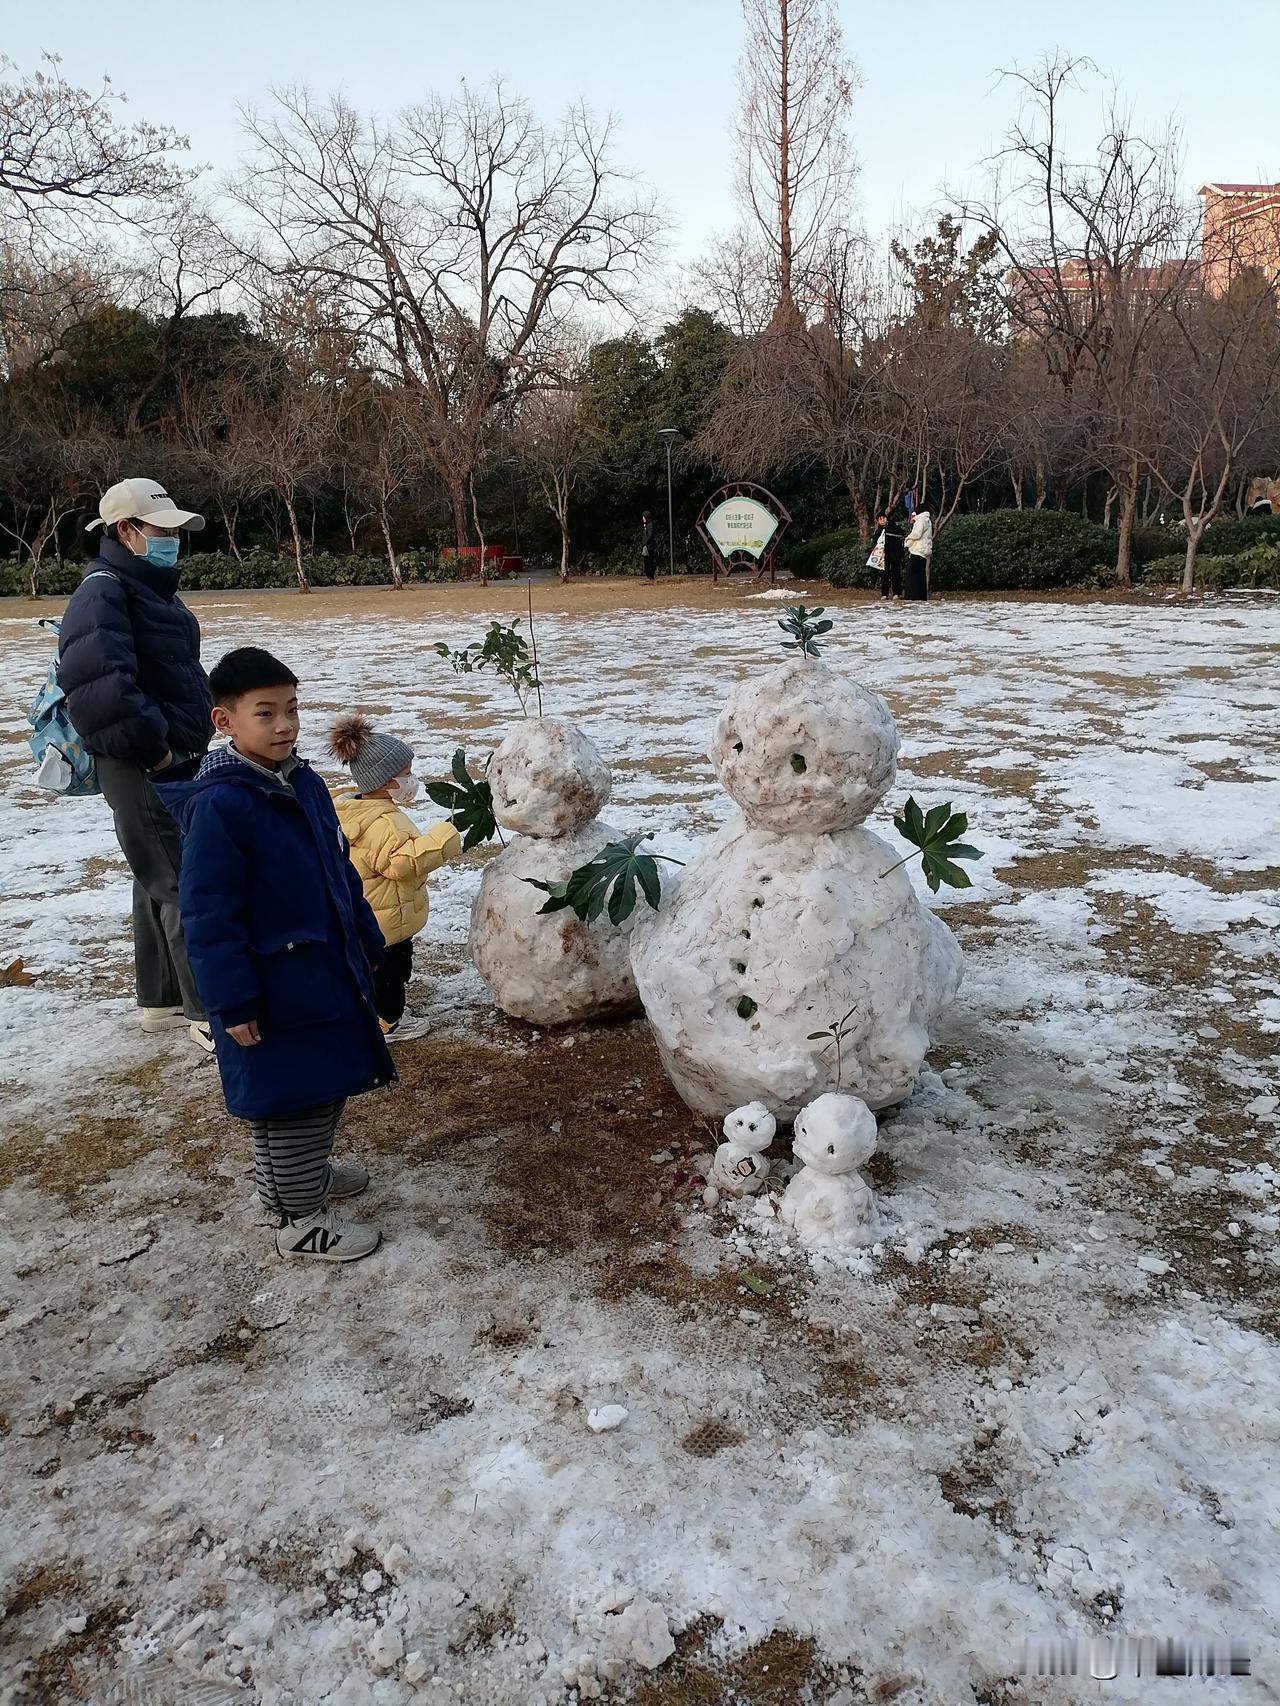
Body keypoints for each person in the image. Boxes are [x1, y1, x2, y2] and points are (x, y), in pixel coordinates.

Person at [163, 648, 394, 1262]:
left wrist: (367, 941)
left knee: (316, 1083)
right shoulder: (222, 805)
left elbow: (339, 870)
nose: (285, 725)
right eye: (265, 713)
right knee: (296, 1096)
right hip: (270, 986)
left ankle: (295, 1181)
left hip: (322, 972)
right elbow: (208, 915)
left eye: (291, 709)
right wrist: (231, 999)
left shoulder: (304, 781)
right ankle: (300, 1222)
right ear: (225, 722)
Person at [57, 477, 214, 1053]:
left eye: (176, 532)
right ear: (125, 530)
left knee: (155, 872)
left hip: (164, 751)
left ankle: (162, 999)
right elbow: (100, 688)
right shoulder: (104, 590)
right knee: (182, 875)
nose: (173, 540)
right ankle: (209, 1010)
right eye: (163, 531)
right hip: (142, 757)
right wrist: (159, 751)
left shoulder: (144, 586)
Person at [326, 715, 462, 1042]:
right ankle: (389, 1022)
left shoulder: (355, 811)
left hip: (371, 912)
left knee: (375, 969)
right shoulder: (385, 823)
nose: (411, 780)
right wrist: (444, 838)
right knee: (392, 973)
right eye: (406, 775)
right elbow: (403, 862)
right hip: (389, 920)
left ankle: (371, 1010)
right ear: (386, 781)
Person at [871, 512, 904, 599]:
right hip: (883, 556)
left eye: (884, 518)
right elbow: (875, 542)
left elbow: (900, 534)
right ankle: (884, 594)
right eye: (880, 519)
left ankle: (896, 593)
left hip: (895, 554)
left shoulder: (894, 527)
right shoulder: (878, 531)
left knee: (896, 573)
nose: (882, 520)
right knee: (884, 575)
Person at [903, 507, 933, 601]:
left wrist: (908, 539)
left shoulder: (920, 520)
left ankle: (912, 596)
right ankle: (921, 596)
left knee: (912, 576)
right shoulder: (928, 521)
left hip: (917, 551)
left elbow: (917, 534)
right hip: (924, 552)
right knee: (921, 576)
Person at [640, 510, 656, 581]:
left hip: (649, 546)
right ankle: (648, 575)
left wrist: (645, 542)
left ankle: (650, 576)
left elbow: (650, 535)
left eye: (643, 517)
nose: (643, 518)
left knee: (649, 561)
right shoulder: (646, 525)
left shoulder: (650, 525)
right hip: (646, 546)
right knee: (646, 561)